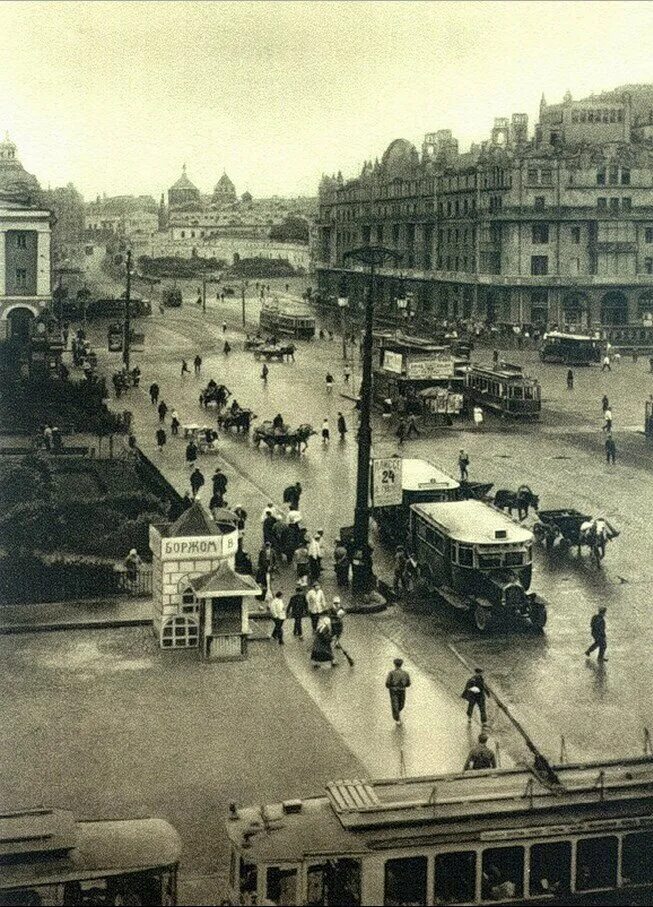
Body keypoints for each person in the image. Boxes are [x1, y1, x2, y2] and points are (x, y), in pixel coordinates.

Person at [386, 657, 411, 725]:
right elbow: (408, 683)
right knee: (401, 704)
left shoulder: (391, 673)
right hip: (402, 690)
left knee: (395, 704)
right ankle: (397, 718)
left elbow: (387, 683)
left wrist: (390, 686)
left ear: (395, 664)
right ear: (401, 664)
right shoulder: (405, 673)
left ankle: (397, 717)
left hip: (393, 690)